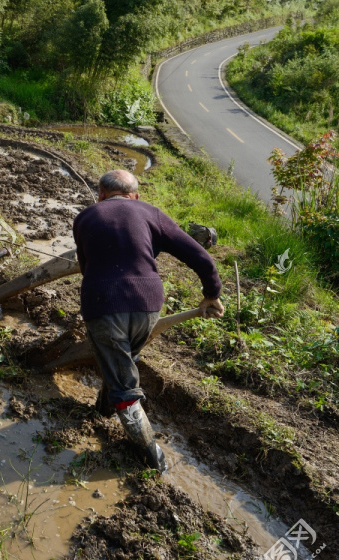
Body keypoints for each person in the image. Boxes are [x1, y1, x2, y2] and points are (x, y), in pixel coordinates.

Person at [72, 170, 224, 472]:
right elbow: (201, 257)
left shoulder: (85, 217)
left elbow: (84, 266)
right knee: (122, 360)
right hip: (148, 303)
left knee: (124, 387)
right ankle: (102, 411)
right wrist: (212, 294)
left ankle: (154, 459)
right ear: (135, 196)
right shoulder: (152, 213)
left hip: (102, 302)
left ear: (101, 193)